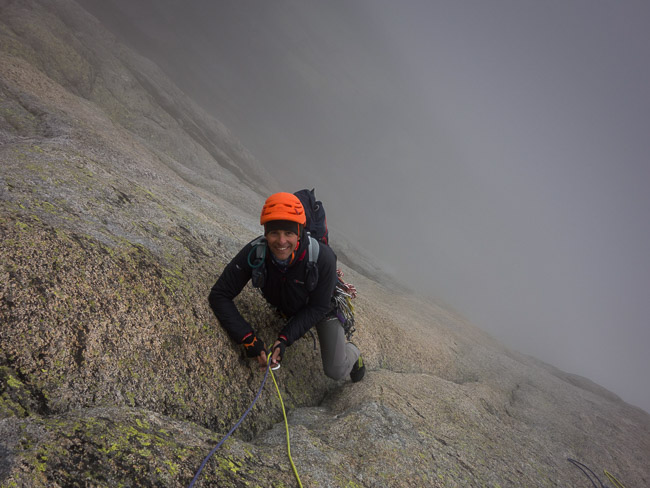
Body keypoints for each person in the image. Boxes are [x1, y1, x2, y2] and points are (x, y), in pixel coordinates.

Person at [209, 192, 365, 382]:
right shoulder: (256, 252)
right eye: (274, 232)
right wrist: (248, 338)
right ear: (266, 232)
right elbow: (219, 295)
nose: (281, 241)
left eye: (289, 233)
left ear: (299, 232)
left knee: (337, 371)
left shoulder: (323, 258)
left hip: (322, 308)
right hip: (289, 304)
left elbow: (319, 306)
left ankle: (354, 353)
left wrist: (285, 338)